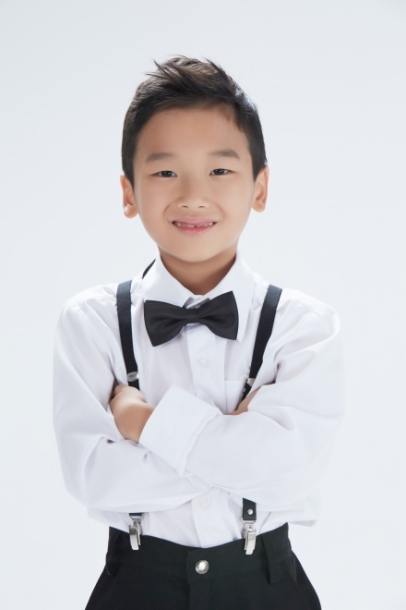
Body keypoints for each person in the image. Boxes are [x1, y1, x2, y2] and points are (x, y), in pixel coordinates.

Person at [53, 56, 344, 610]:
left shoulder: (304, 327)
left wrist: (146, 424)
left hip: (269, 587)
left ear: (260, 187)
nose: (192, 195)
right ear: (129, 192)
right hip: (136, 585)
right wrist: (238, 448)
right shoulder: (91, 323)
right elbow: (93, 478)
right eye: (165, 172)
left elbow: (291, 473)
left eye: (220, 171)